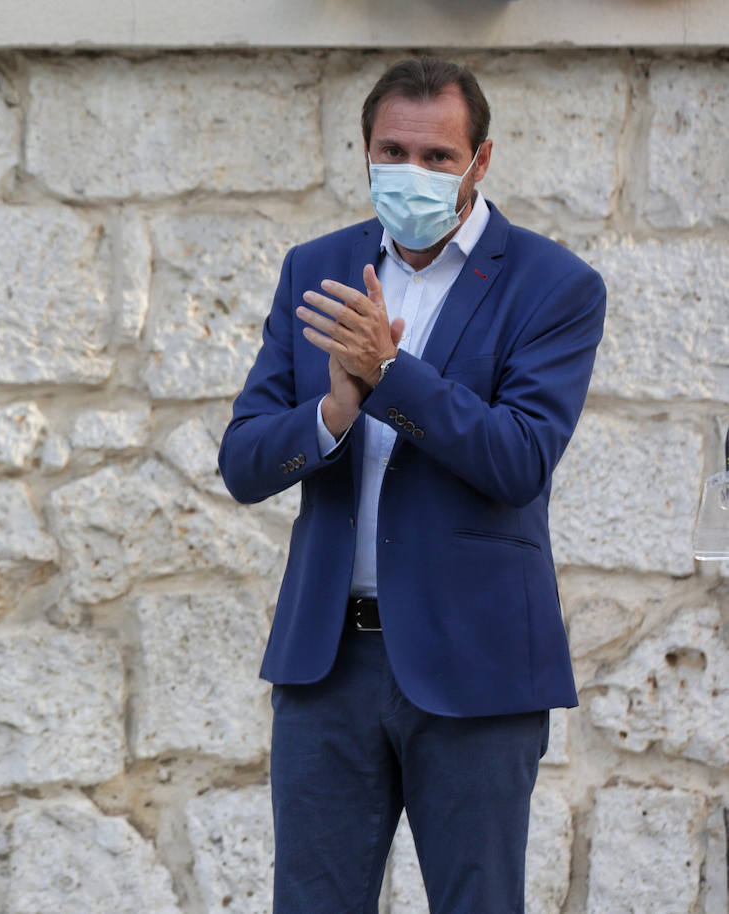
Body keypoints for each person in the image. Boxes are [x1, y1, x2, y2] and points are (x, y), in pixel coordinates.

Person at [219, 58, 605, 912]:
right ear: (364, 154)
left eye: (438, 156)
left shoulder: (553, 285)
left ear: (481, 160)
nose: (414, 173)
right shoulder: (314, 269)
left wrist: (391, 373)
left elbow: (518, 459)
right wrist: (335, 407)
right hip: (329, 666)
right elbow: (245, 461)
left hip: (476, 666)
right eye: (393, 152)